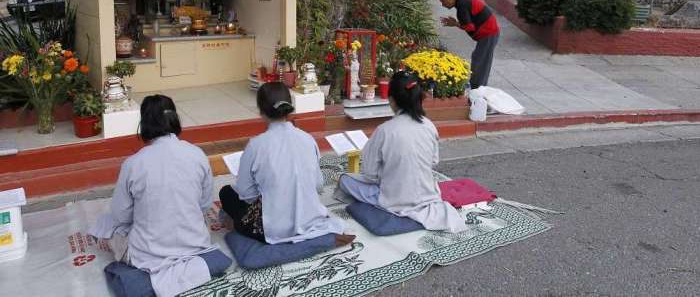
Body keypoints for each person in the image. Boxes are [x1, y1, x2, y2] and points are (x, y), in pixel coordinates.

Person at [89, 95, 220, 297]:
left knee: (107, 223)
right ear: (174, 119)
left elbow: (121, 216)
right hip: (195, 245)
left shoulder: (134, 164)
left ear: (144, 124)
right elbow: (204, 204)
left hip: (146, 254)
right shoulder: (197, 154)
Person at [219, 82, 353, 246]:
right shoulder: (307, 139)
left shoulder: (255, 145)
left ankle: (240, 227)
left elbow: (246, 194)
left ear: (261, 111)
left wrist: (270, 198)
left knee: (226, 193)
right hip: (310, 218)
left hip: (272, 229)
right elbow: (318, 184)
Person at [338, 72, 467, 233]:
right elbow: (433, 161)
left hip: (393, 198)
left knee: (345, 180)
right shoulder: (429, 126)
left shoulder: (384, 130)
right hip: (427, 194)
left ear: (391, 101)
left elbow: (370, 174)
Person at [438, 0, 500, 88]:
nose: (442, 4)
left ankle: (477, 88)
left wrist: (455, 24)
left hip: (488, 33)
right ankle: (477, 85)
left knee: (480, 60)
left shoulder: (462, 5)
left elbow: (469, 27)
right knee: (479, 58)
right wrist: (456, 23)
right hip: (489, 32)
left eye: (443, 1)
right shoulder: (462, 0)